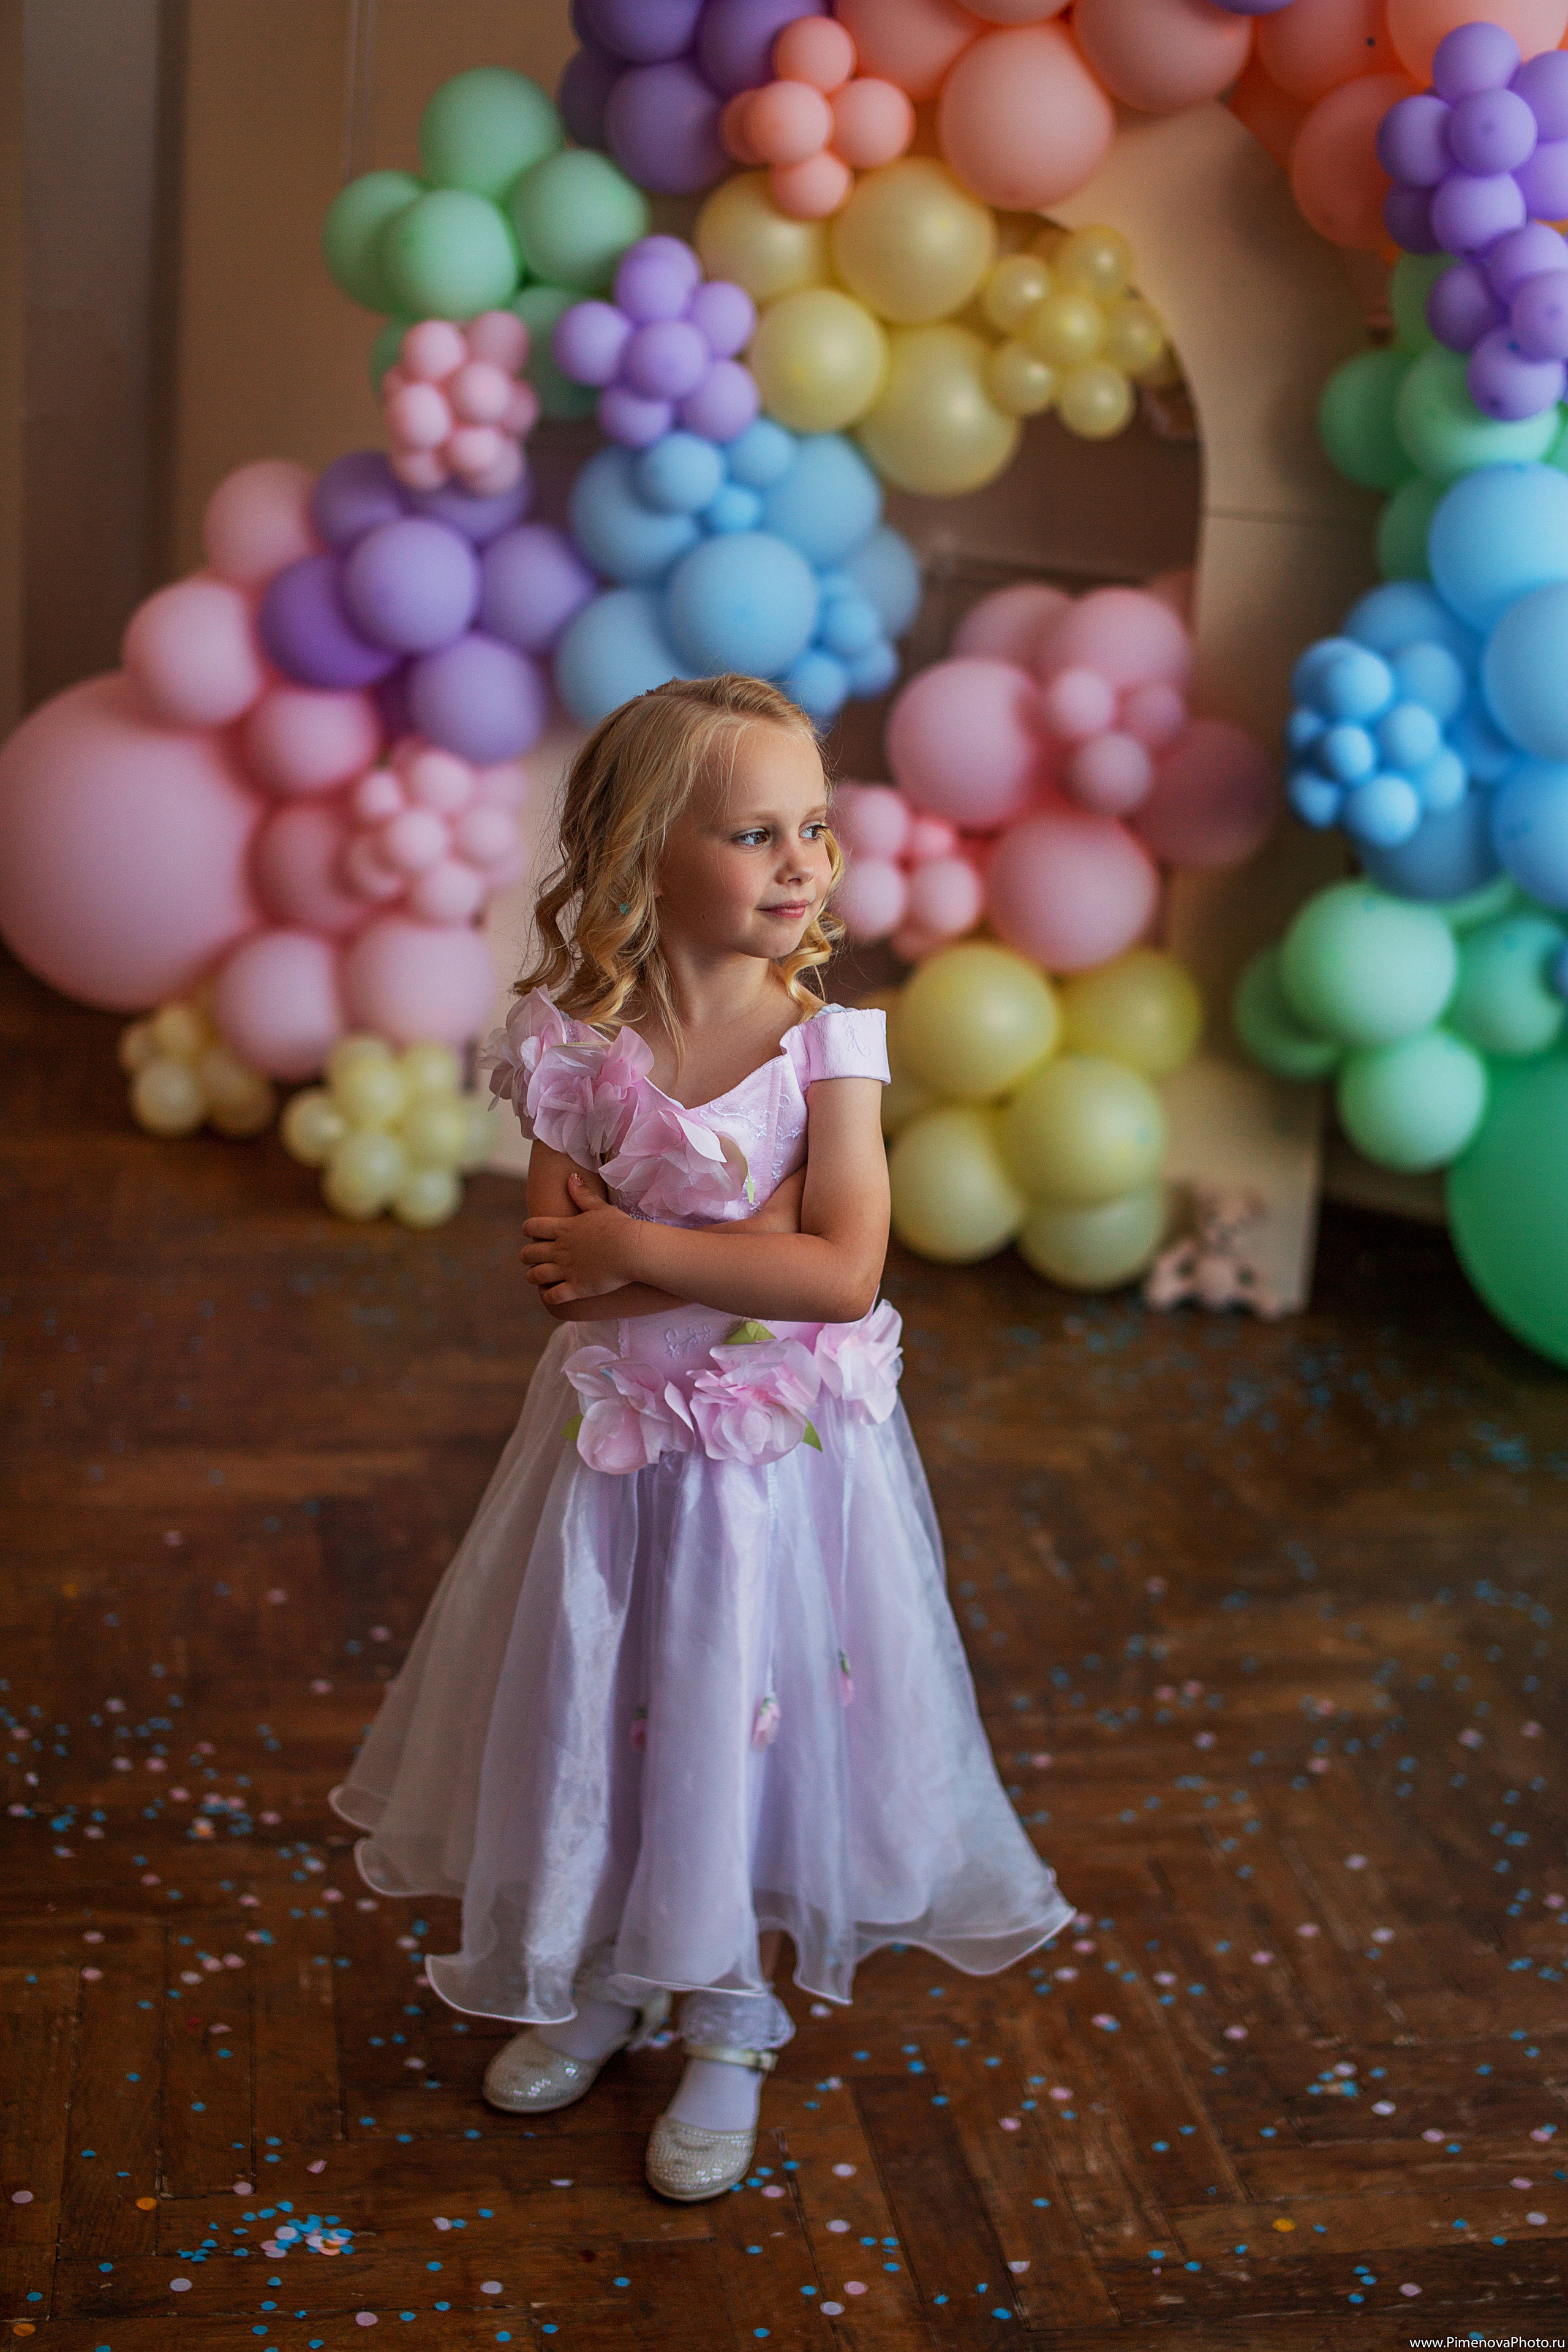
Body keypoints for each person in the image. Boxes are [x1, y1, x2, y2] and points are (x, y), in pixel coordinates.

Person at [330, 673, 1074, 2203]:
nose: (803, 862)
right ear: (641, 855)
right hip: (615, 1464)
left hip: (779, 1481)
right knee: (617, 1707)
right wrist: (723, 1244)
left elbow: (841, 1273)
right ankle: (619, 1971)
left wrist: (650, 1248)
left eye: (815, 825)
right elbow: (560, 1285)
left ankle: (729, 2014)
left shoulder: (831, 1052)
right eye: (754, 832)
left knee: (746, 1714)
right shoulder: (570, 1047)